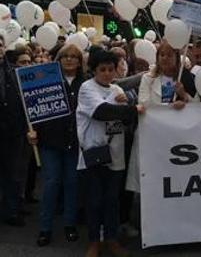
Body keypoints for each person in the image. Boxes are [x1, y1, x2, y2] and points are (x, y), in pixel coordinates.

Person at [76, 49, 141, 257]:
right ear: (94, 70)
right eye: (102, 69)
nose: (106, 73)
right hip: (93, 154)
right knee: (94, 200)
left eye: (110, 69)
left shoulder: (116, 90)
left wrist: (127, 107)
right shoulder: (87, 88)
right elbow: (102, 112)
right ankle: (94, 241)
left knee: (112, 200)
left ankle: (111, 240)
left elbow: (126, 121)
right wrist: (132, 108)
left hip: (115, 155)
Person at [29, 44, 85, 247]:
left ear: (80, 61)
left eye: (74, 56)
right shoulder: (46, 80)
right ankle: (45, 228)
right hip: (49, 142)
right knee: (51, 184)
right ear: (58, 59)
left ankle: (70, 224)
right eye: (65, 56)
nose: (69, 59)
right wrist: (32, 130)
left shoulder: (86, 84)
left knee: (72, 184)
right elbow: (34, 106)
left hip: (75, 143)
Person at [126, 41, 199, 194]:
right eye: (162, 55)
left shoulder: (185, 79)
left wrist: (184, 95)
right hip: (151, 135)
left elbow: (198, 107)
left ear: (177, 58)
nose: (165, 58)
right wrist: (170, 107)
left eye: (170, 55)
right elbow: (144, 103)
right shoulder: (148, 78)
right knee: (150, 182)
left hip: (176, 137)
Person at [0, 43, 29, 227]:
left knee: (12, 172)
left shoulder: (14, 71)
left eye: (0, 45)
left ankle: (11, 210)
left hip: (13, 130)